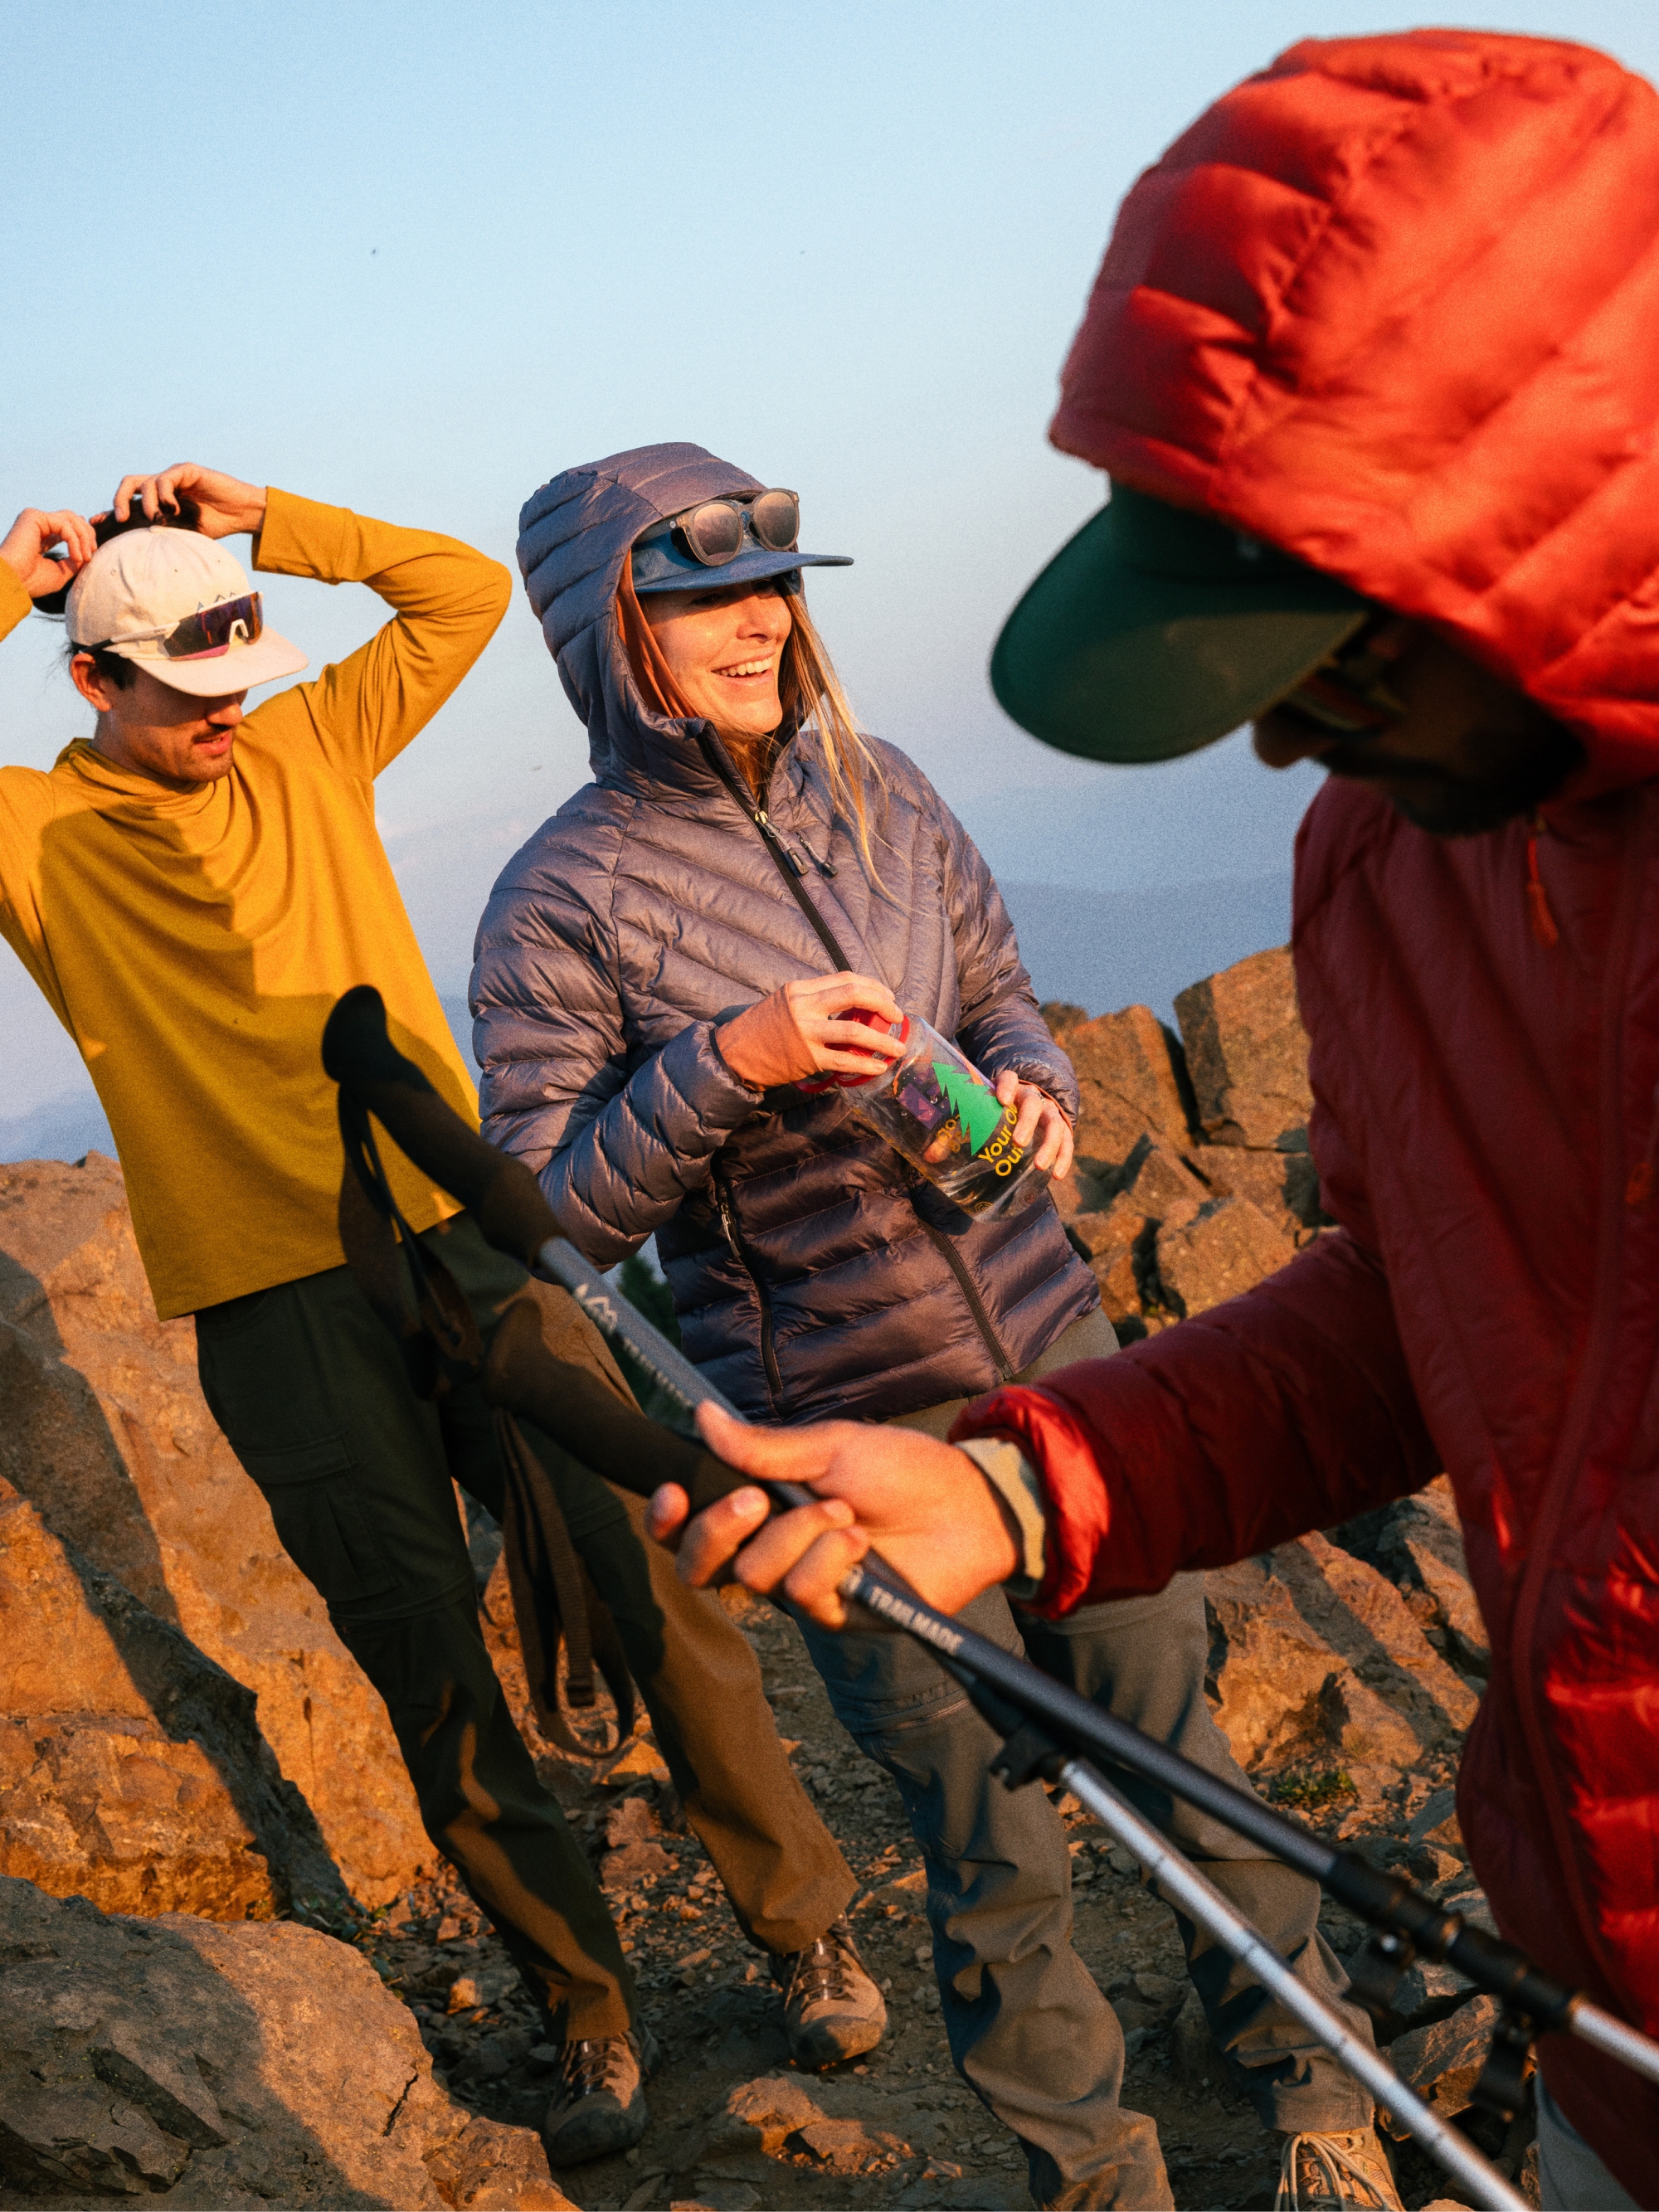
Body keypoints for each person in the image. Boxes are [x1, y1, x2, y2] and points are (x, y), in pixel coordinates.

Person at [646, 28, 1659, 2212]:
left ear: (1569, 519)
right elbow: (1429, 1311)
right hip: (1615, 2031)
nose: (1283, 742)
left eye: (1338, 651)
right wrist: (1029, 1479)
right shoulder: (1397, 852)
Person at [472, 440, 1396, 2210]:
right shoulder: (560, 896)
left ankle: (1317, 2103)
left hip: (1061, 1375)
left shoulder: (883, 787)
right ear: (607, 638)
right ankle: (1099, 2178)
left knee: (1185, 1763)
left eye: (769, 592)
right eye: (698, 603)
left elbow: (994, 988)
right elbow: (547, 1216)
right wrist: (718, 1064)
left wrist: (1036, 1084)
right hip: (833, 1433)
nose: (755, 627)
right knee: (990, 1850)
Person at [0, 464, 867, 2166]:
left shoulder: (307, 741)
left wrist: (260, 518)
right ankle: (588, 2016)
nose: (222, 724)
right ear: (90, 680)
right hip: (270, 1295)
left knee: (653, 1570)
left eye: (234, 683)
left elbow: (456, 589)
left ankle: (802, 1925)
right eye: (180, 699)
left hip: (463, 1229)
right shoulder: (42, 837)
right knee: (423, 1662)